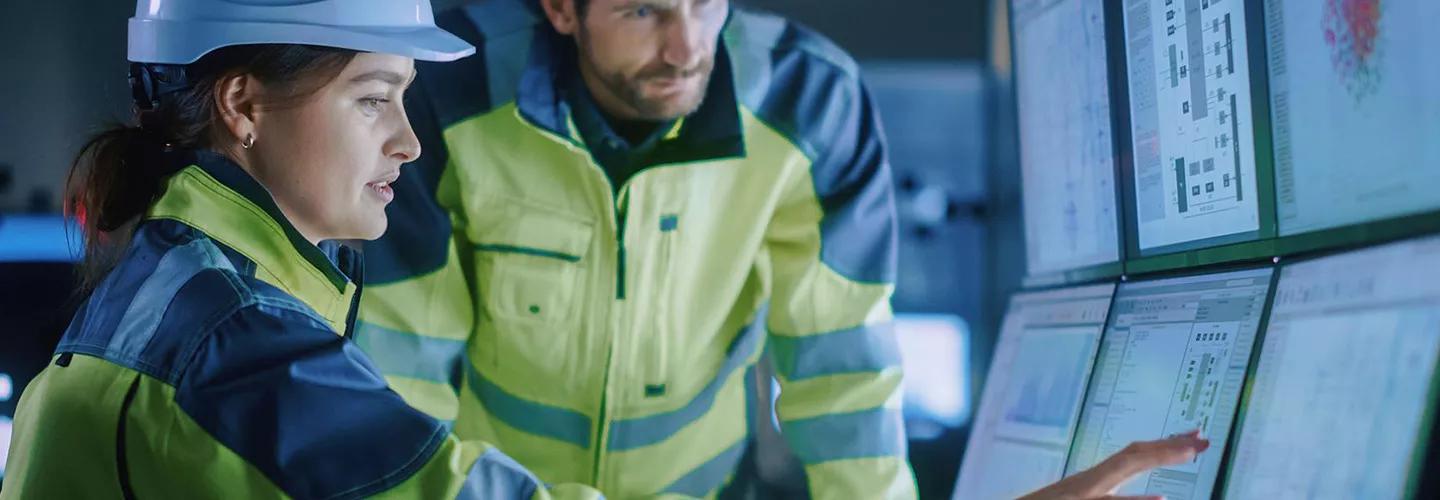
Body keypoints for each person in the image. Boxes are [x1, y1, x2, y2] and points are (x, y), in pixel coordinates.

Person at [357, 0, 1210, 498]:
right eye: (642, 9)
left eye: (701, 0)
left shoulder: (812, 100)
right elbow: (401, 364)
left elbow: (845, 369)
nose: (688, 46)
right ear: (561, 9)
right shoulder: (449, 94)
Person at [0, 1, 603, 498]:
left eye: (404, 98)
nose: (409, 143)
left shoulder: (178, 292)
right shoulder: (232, 345)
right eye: (373, 99)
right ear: (241, 105)